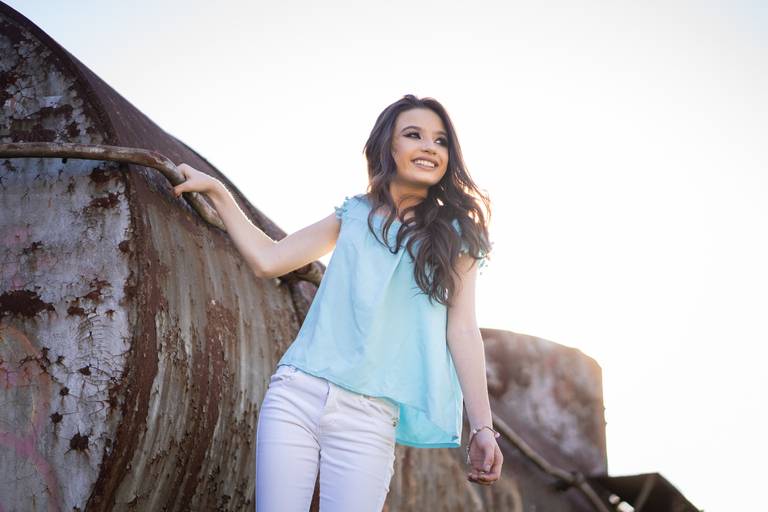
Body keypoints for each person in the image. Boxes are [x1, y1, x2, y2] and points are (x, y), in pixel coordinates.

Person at [172, 94, 503, 511]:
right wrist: (218, 191)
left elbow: (462, 329)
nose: (428, 147)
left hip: (369, 416)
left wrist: (483, 428)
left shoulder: (458, 234)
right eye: (413, 135)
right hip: (298, 392)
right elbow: (269, 259)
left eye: (440, 141)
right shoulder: (354, 213)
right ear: (389, 147)